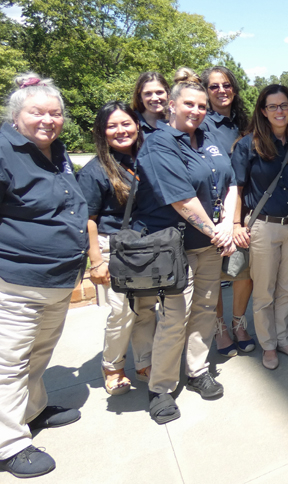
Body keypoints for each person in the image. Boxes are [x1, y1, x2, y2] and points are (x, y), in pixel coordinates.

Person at [132, 71, 237, 424]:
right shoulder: (159, 143)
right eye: (189, 104)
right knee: (174, 318)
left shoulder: (208, 136)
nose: (196, 111)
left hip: (208, 244)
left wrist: (227, 224)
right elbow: (182, 200)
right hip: (175, 245)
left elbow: (232, 181)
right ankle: (161, 388)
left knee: (206, 309)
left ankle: (197, 370)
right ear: (172, 105)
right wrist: (217, 232)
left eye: (202, 106)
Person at [0, 73, 87, 478]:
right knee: (8, 364)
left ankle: (32, 412)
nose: (48, 120)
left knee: (38, 356)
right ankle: (8, 444)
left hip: (56, 280)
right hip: (17, 281)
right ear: (17, 115)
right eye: (38, 112)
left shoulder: (55, 150)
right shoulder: (4, 150)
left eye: (55, 113)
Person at [77, 101, 156, 395]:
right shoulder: (95, 170)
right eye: (112, 126)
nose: (121, 130)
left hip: (146, 245)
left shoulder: (147, 159)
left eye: (126, 123)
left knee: (146, 309)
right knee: (122, 312)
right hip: (112, 247)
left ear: (137, 125)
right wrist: (96, 261)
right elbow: (88, 219)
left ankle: (145, 362)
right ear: (102, 132)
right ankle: (113, 366)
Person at [232, 84, 288, 370]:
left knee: (287, 289)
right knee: (264, 290)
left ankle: (283, 339)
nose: (280, 111)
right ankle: (268, 345)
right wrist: (237, 223)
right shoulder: (248, 144)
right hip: (263, 227)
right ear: (263, 111)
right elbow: (236, 188)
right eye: (273, 106)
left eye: (284, 105)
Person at [199, 66, 256, 358]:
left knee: (244, 270)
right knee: (213, 275)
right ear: (205, 91)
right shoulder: (202, 124)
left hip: (244, 209)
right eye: (213, 86)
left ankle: (239, 323)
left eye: (227, 85)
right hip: (212, 211)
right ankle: (220, 328)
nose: (222, 91)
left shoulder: (244, 123)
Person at [131, 71, 170, 138]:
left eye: (159, 92)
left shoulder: (175, 122)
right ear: (140, 97)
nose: (154, 98)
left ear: (168, 94)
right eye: (148, 93)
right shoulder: (131, 123)